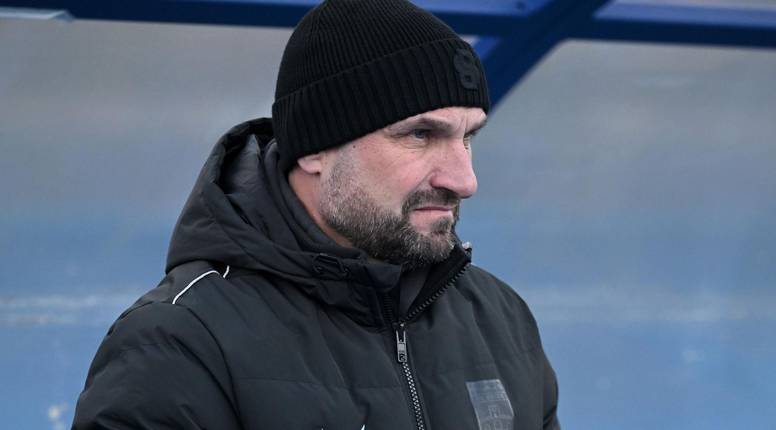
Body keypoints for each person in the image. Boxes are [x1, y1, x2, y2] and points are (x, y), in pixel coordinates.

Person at [72, 0, 560, 429]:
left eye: (467, 137)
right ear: (314, 149)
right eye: (420, 135)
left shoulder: (501, 319)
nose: (464, 180)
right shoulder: (180, 346)